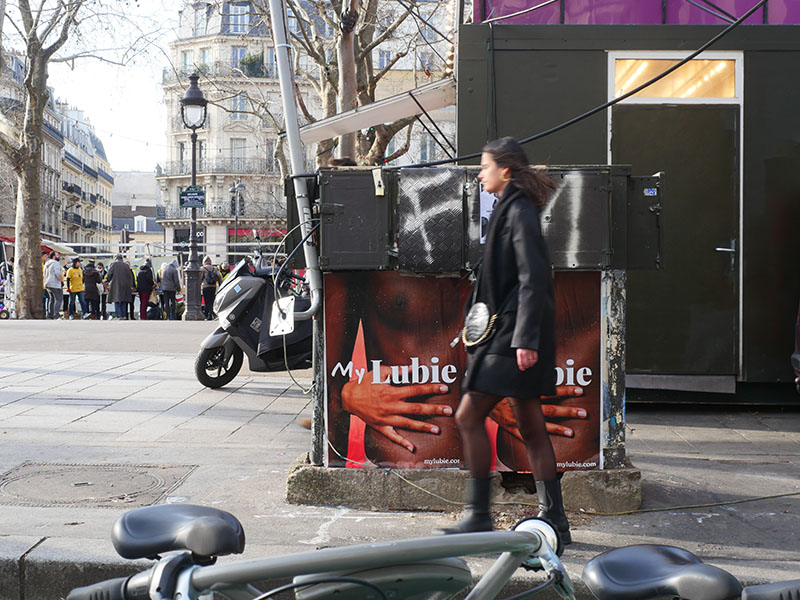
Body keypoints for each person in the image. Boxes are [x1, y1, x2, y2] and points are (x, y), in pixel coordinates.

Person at [445, 137, 569, 542]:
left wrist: (525, 340)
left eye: (485, 166)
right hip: (510, 335)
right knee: (531, 427)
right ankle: (557, 521)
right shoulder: (511, 208)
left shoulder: (518, 212)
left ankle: (478, 516)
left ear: (506, 170)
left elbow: (535, 278)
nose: (480, 173)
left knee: (467, 416)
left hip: (511, 339)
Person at [106, 254, 135, 319]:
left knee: (117, 300)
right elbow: (130, 276)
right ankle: (124, 315)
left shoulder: (114, 264)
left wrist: (108, 280)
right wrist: (130, 285)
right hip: (126, 286)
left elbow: (109, 275)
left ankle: (119, 316)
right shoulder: (127, 265)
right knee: (124, 300)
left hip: (117, 285)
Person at [200, 256, 222, 320]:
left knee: (207, 301)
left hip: (205, 287)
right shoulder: (214, 268)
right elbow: (219, 277)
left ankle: (207, 315)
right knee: (212, 301)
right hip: (213, 287)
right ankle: (211, 314)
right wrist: (220, 285)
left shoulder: (202, 268)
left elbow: (200, 278)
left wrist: (199, 285)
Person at [43, 252, 63, 319]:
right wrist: (61, 281)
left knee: (51, 299)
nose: (59, 256)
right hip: (55, 283)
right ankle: (56, 314)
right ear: (54, 256)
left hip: (47, 283)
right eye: (57, 255)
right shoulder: (55, 263)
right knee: (58, 299)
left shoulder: (47, 263)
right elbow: (57, 273)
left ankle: (50, 314)